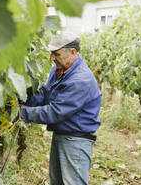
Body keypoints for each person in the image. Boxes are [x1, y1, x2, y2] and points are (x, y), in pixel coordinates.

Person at [16, 31, 101, 185]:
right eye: (51, 53)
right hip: (62, 135)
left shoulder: (80, 80)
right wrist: (23, 98)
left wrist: (21, 113)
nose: (51, 58)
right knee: (57, 181)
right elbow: (45, 95)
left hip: (76, 140)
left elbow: (54, 112)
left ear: (73, 52)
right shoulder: (60, 70)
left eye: (56, 54)